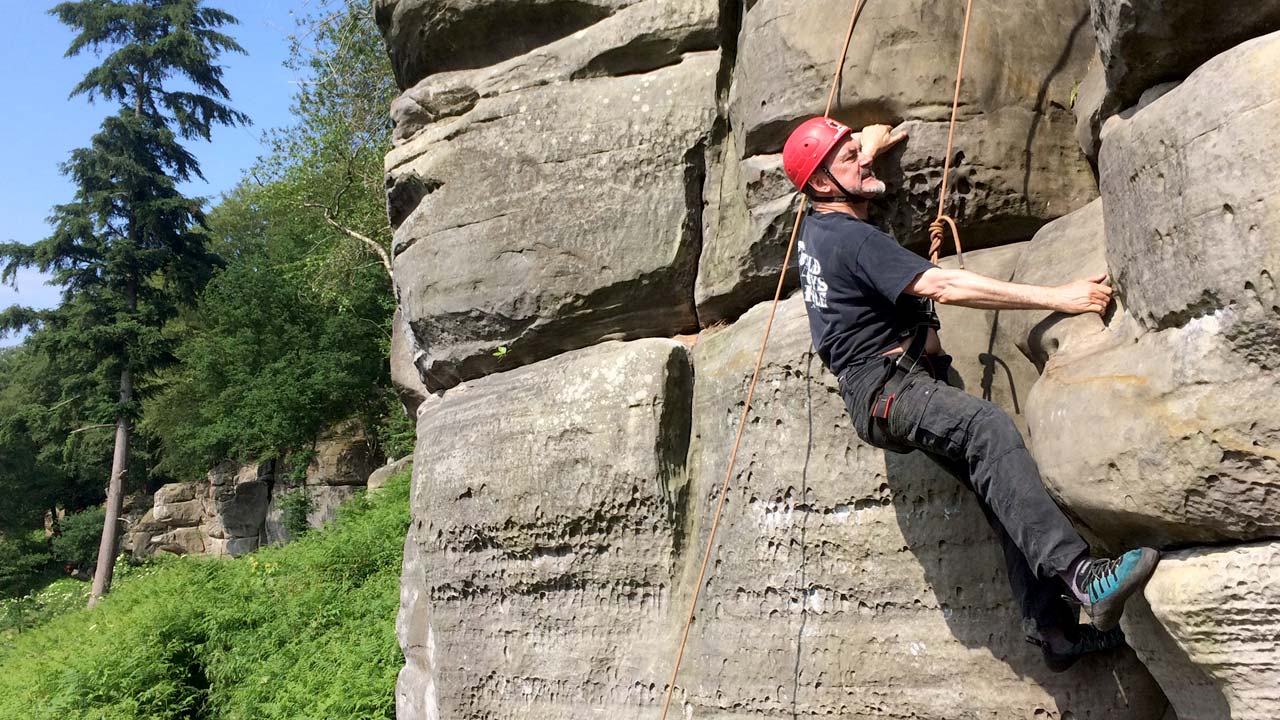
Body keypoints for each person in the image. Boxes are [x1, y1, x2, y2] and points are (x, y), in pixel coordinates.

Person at [782, 116, 1159, 671]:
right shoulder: (851, 238)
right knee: (987, 428)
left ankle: (1053, 633)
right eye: (847, 159)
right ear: (821, 184)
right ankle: (1083, 578)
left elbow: (847, 163)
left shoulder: (820, 225)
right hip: (891, 389)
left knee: (1000, 489)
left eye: (854, 150)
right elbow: (946, 284)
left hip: (892, 386)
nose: (861, 158)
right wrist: (1061, 295)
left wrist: (871, 145)